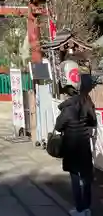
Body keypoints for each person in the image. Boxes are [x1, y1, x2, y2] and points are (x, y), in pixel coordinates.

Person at [55, 76, 97, 216]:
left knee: (75, 178)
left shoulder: (67, 108)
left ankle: (79, 208)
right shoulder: (88, 103)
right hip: (84, 144)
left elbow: (59, 127)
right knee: (86, 177)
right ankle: (86, 208)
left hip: (71, 146)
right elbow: (93, 122)